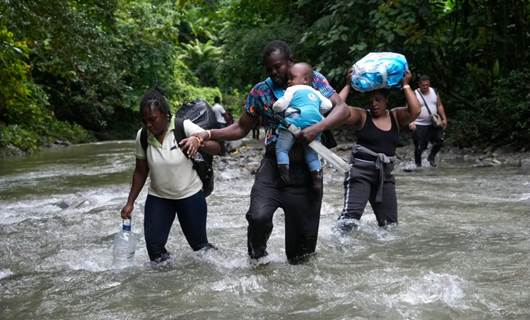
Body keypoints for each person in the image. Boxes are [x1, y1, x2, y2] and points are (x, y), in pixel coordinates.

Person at [193, 40, 349, 264]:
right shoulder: (261, 90)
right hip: (273, 165)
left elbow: (341, 109)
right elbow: (240, 128)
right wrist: (208, 134)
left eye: (278, 66)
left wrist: (317, 128)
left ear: (290, 62)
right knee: (258, 216)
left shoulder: (311, 79)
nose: (274, 72)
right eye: (269, 68)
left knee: (300, 257)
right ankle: (259, 260)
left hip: (307, 170)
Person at [120, 88, 221, 263]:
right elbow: (141, 171)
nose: (149, 125)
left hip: (190, 195)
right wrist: (130, 203)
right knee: (154, 249)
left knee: (199, 246)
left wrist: (198, 142)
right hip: (159, 198)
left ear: (166, 115)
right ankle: (167, 284)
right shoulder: (143, 136)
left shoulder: (183, 126)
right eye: (145, 121)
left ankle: (220, 266)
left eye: (152, 119)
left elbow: (218, 147)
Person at [336, 69, 420, 231]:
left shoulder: (395, 116)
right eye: (371, 100)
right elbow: (338, 110)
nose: (374, 104)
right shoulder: (362, 116)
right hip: (360, 174)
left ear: (386, 101)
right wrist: (348, 84)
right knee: (349, 220)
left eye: (378, 100)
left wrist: (406, 85)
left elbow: (415, 111)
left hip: (384, 177)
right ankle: (338, 247)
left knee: (390, 226)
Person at [272, 62, 332, 191]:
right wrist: (315, 110)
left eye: (291, 78)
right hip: (315, 124)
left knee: (282, 149)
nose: (288, 81)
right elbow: (328, 106)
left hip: (295, 120)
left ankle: (284, 175)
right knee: (311, 155)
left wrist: (275, 107)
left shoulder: (292, 89)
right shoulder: (316, 92)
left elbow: (281, 105)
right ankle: (316, 178)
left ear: (305, 80)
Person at [408, 75, 448, 167]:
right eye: (423, 85)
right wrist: (411, 122)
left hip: (433, 123)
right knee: (419, 147)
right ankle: (418, 166)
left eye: (427, 85)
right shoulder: (414, 94)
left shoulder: (434, 91)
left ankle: (431, 157)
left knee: (439, 141)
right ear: (419, 85)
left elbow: (439, 105)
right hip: (419, 124)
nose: (425, 87)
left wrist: (444, 118)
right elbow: (409, 109)